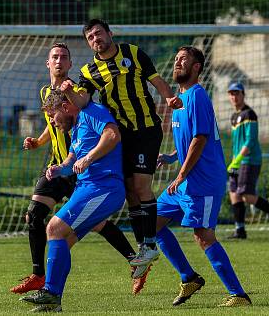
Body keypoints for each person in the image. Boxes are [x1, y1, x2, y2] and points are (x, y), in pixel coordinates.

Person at [12, 43, 149, 296]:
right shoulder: (48, 96)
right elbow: (53, 126)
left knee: (86, 226)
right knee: (39, 219)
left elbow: (109, 133)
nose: (59, 61)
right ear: (48, 62)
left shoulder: (80, 100)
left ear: (70, 64)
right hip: (62, 166)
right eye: (55, 56)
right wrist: (40, 143)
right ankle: (41, 278)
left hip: (89, 176)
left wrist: (85, 160)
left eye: (64, 57)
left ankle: (134, 259)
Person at [61, 19, 182, 268]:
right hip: (122, 136)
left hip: (146, 128)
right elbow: (82, 101)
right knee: (129, 190)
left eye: (98, 34)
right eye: (90, 38)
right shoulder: (88, 72)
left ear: (110, 33)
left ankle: (149, 244)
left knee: (140, 185)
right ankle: (144, 247)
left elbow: (156, 80)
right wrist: (69, 91)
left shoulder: (133, 53)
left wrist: (170, 98)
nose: (96, 39)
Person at [155, 46, 251, 307]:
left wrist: (181, 173)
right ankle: (189, 278)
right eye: (175, 59)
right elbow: (188, 139)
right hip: (186, 180)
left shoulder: (197, 96)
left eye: (183, 59)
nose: (177, 63)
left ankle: (239, 295)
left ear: (196, 67)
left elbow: (200, 138)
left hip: (203, 181)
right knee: (152, 223)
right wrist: (172, 157)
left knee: (203, 235)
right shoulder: (179, 99)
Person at [19, 89, 128, 312]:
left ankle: (50, 292)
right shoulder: (77, 128)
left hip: (103, 188)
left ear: (66, 108)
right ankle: (53, 300)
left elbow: (112, 135)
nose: (52, 123)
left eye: (53, 116)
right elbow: (71, 160)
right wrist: (59, 169)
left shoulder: (92, 112)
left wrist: (88, 159)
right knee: (62, 241)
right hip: (87, 188)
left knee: (54, 228)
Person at [226, 82, 269, 239]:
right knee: (234, 193)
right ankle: (240, 230)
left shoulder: (249, 114)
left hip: (248, 160)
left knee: (247, 195)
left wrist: (238, 160)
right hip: (237, 160)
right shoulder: (234, 117)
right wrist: (234, 160)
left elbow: (249, 141)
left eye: (237, 93)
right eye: (231, 93)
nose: (234, 96)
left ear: (243, 94)